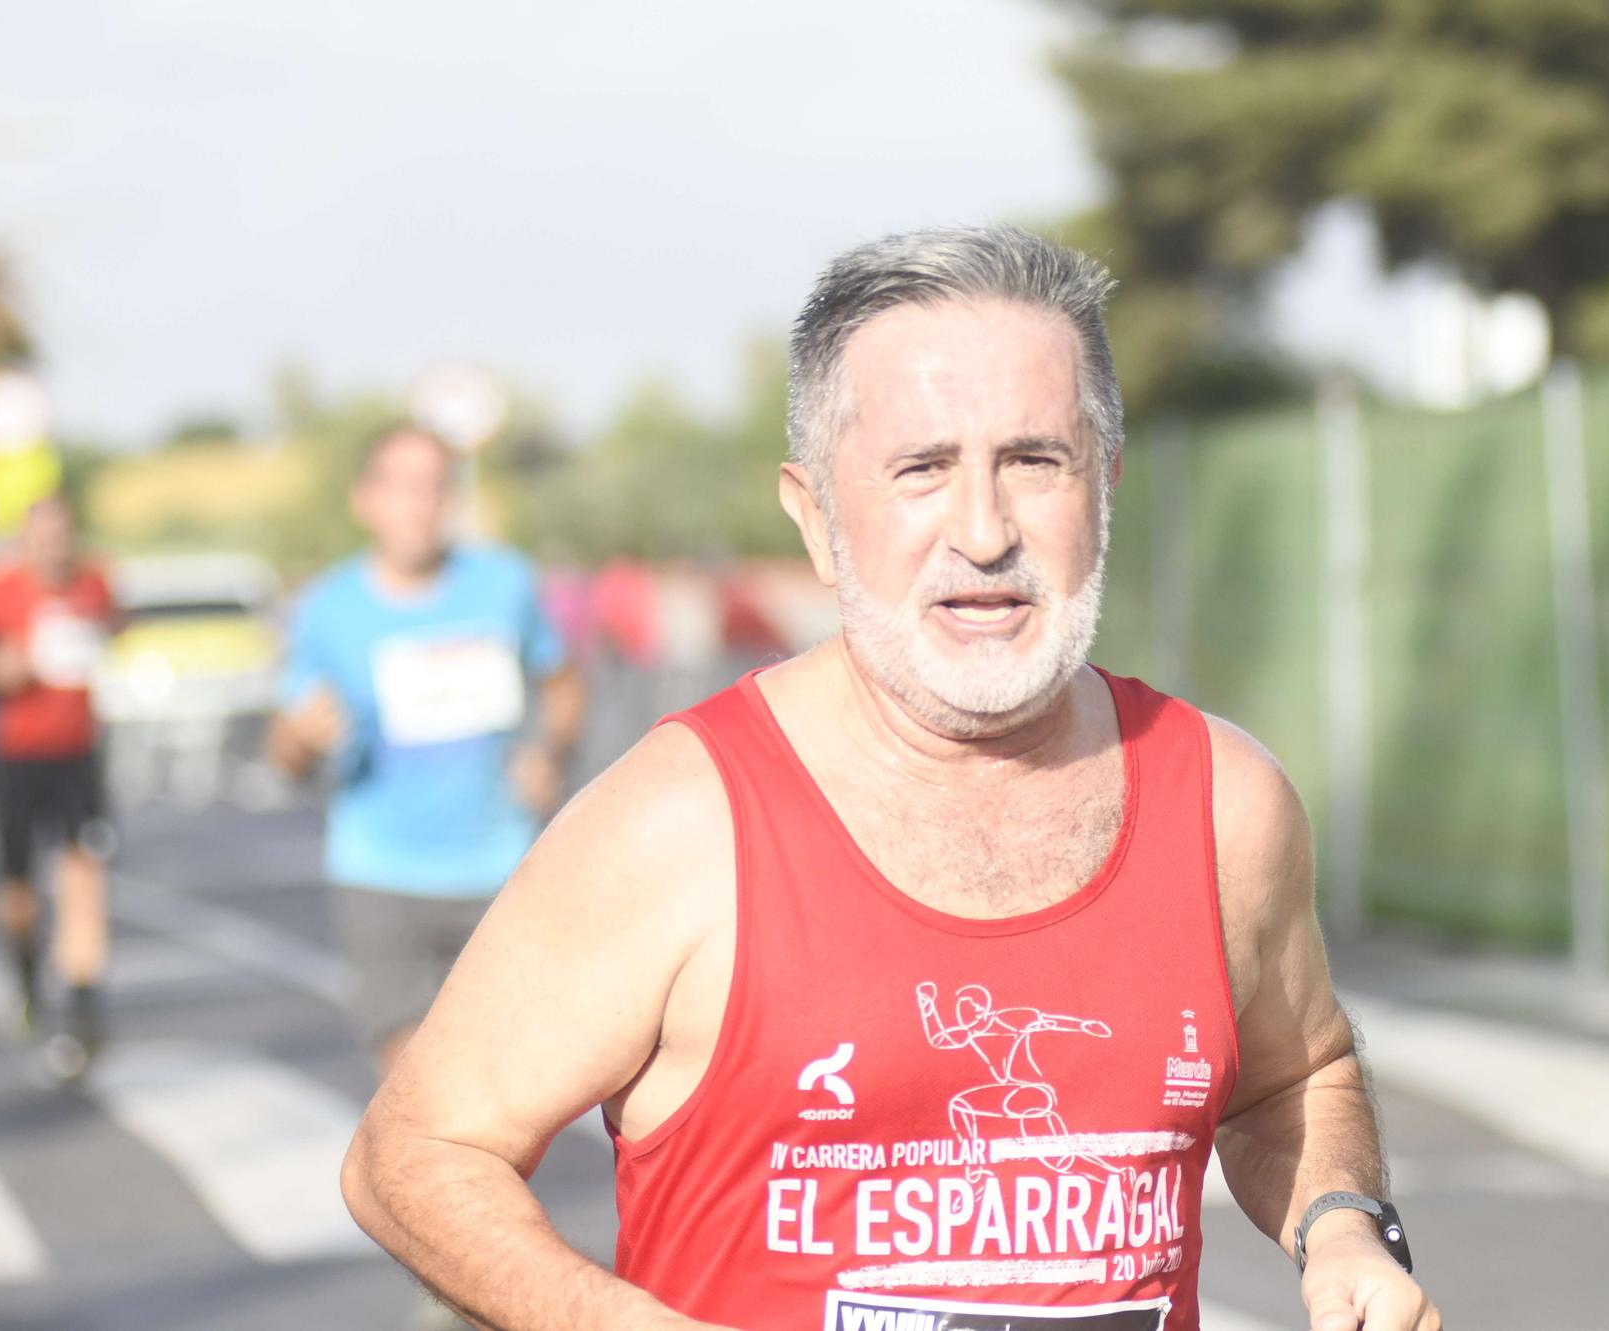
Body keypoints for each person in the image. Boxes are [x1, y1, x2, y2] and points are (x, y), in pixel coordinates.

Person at [342, 228, 1440, 1331]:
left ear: (1101, 486)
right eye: (921, 469)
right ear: (816, 517)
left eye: (1032, 460)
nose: (982, 529)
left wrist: (1341, 1225)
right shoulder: (682, 820)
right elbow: (414, 1150)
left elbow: (1294, 1074)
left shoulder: (1222, 799)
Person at [267, 425, 584, 1078]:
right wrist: (300, 737)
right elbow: (284, 753)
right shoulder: (327, 608)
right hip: (381, 869)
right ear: (366, 500)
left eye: (432, 487)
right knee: (415, 1085)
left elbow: (563, 681)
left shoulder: (504, 583)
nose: (417, 504)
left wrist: (550, 754)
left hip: (499, 865)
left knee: (508, 1085)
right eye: (400, 487)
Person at [0, 494, 118, 1079]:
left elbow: (113, 629)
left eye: (61, 535)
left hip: (79, 754)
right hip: (15, 757)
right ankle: (25, 971)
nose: (53, 547)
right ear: (25, 541)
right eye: (41, 536)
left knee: (83, 872)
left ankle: (82, 1003)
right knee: (20, 889)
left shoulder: (95, 583)